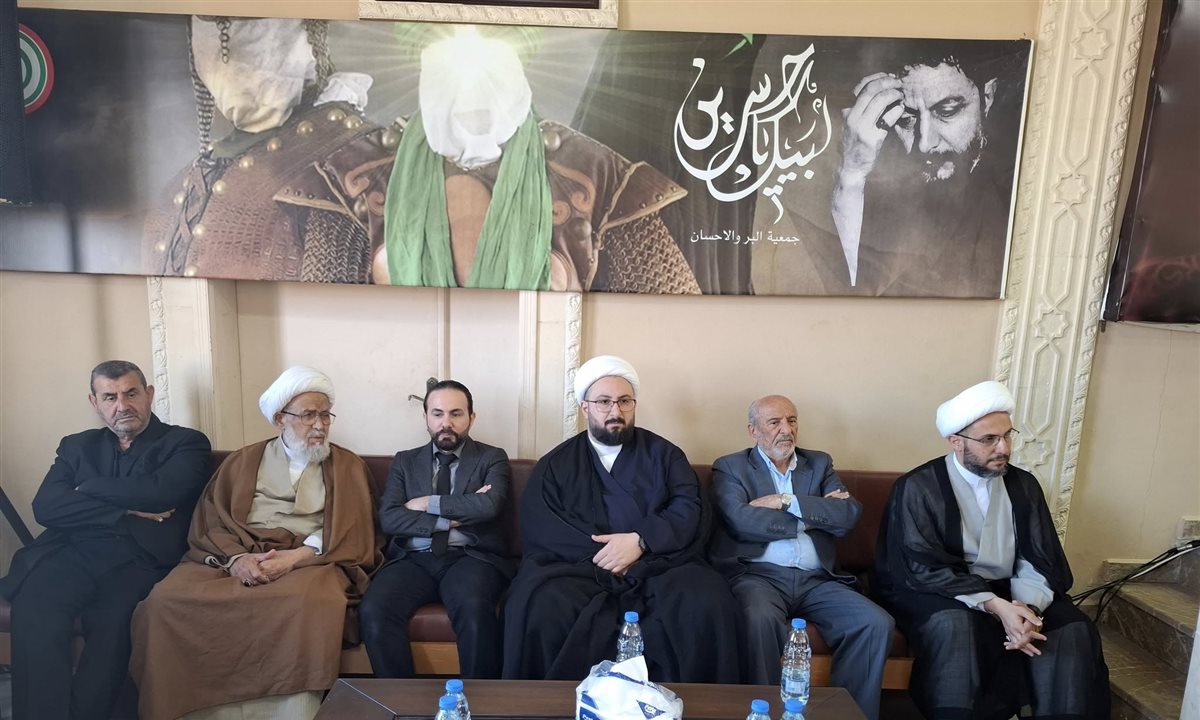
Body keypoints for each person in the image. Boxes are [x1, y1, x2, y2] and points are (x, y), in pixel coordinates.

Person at [875, 381, 1110, 720]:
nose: (1002, 448)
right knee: (952, 625)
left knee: (1073, 628)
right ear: (956, 441)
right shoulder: (919, 486)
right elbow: (919, 564)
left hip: (1015, 590)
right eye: (988, 439)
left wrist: (1027, 609)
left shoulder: (1023, 485)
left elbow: (1039, 557)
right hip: (937, 589)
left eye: (1006, 436)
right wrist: (994, 606)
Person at [129, 366, 379, 720]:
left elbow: (355, 529)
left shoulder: (346, 465)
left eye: (325, 415)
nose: (319, 425)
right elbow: (213, 520)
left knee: (305, 602)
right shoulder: (243, 461)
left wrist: (295, 558)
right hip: (237, 553)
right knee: (166, 601)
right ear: (280, 418)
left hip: (312, 559)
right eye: (309, 415)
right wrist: (236, 560)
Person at [0, 361, 210, 720]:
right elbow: (46, 507)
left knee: (113, 622)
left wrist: (87, 488)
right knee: (35, 609)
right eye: (110, 397)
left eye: (131, 394)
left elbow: (162, 493)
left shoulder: (185, 443)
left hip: (140, 558)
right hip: (73, 550)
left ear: (149, 394)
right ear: (94, 402)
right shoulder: (77, 445)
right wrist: (123, 510)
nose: (122, 406)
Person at [372, 24, 701, 294]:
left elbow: (669, 318)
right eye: (450, 73)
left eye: (489, 72)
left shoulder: (595, 173)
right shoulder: (365, 173)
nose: (471, 92)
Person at [502, 355, 739, 683]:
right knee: (540, 605)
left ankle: (698, 709)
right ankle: (554, 709)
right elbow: (544, 524)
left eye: (624, 401)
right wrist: (610, 556)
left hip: (659, 563)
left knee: (707, 600)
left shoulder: (665, 455)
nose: (615, 411)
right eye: (604, 402)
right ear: (585, 408)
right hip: (580, 568)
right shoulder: (556, 464)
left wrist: (641, 541)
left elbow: (689, 508)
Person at [752, 41, 1027, 298]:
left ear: (988, 96)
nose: (924, 143)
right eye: (907, 119)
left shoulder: (1021, 205)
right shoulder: (878, 202)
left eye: (947, 111)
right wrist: (851, 177)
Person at [144, 16, 390, 282]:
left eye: (248, 29)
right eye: (211, 30)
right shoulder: (178, 190)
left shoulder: (360, 162)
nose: (227, 55)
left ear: (309, 36)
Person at [710, 395, 894, 720]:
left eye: (791, 420)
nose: (786, 429)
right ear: (753, 430)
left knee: (874, 622)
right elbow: (741, 520)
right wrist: (813, 516)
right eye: (774, 422)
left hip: (817, 580)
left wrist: (785, 500)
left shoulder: (819, 463)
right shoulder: (731, 467)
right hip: (759, 577)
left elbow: (847, 515)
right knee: (758, 618)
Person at [358, 380, 511, 678]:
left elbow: (489, 506)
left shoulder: (491, 457)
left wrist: (425, 502)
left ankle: (481, 702)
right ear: (425, 417)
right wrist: (454, 515)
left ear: (471, 417)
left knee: (473, 607)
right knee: (374, 610)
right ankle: (400, 702)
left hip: (470, 557)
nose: (446, 423)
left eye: (456, 413)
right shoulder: (404, 461)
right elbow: (390, 518)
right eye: (437, 414)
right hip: (412, 560)